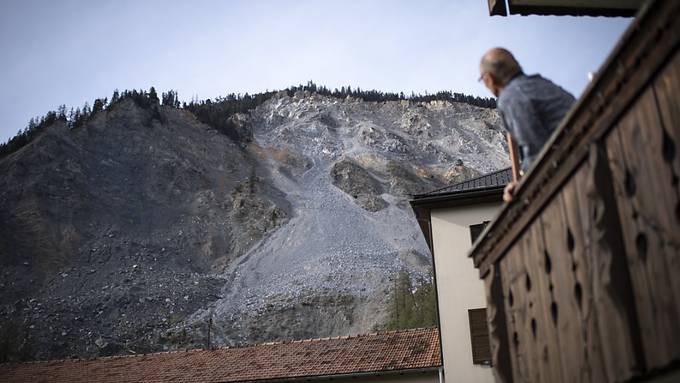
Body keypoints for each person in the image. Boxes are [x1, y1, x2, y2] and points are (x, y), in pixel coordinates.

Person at [479, 48, 575, 202]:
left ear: (489, 79)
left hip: (573, 173)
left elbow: (536, 153)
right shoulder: (543, 84)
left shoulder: (510, 97)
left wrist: (520, 185)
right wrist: (517, 178)